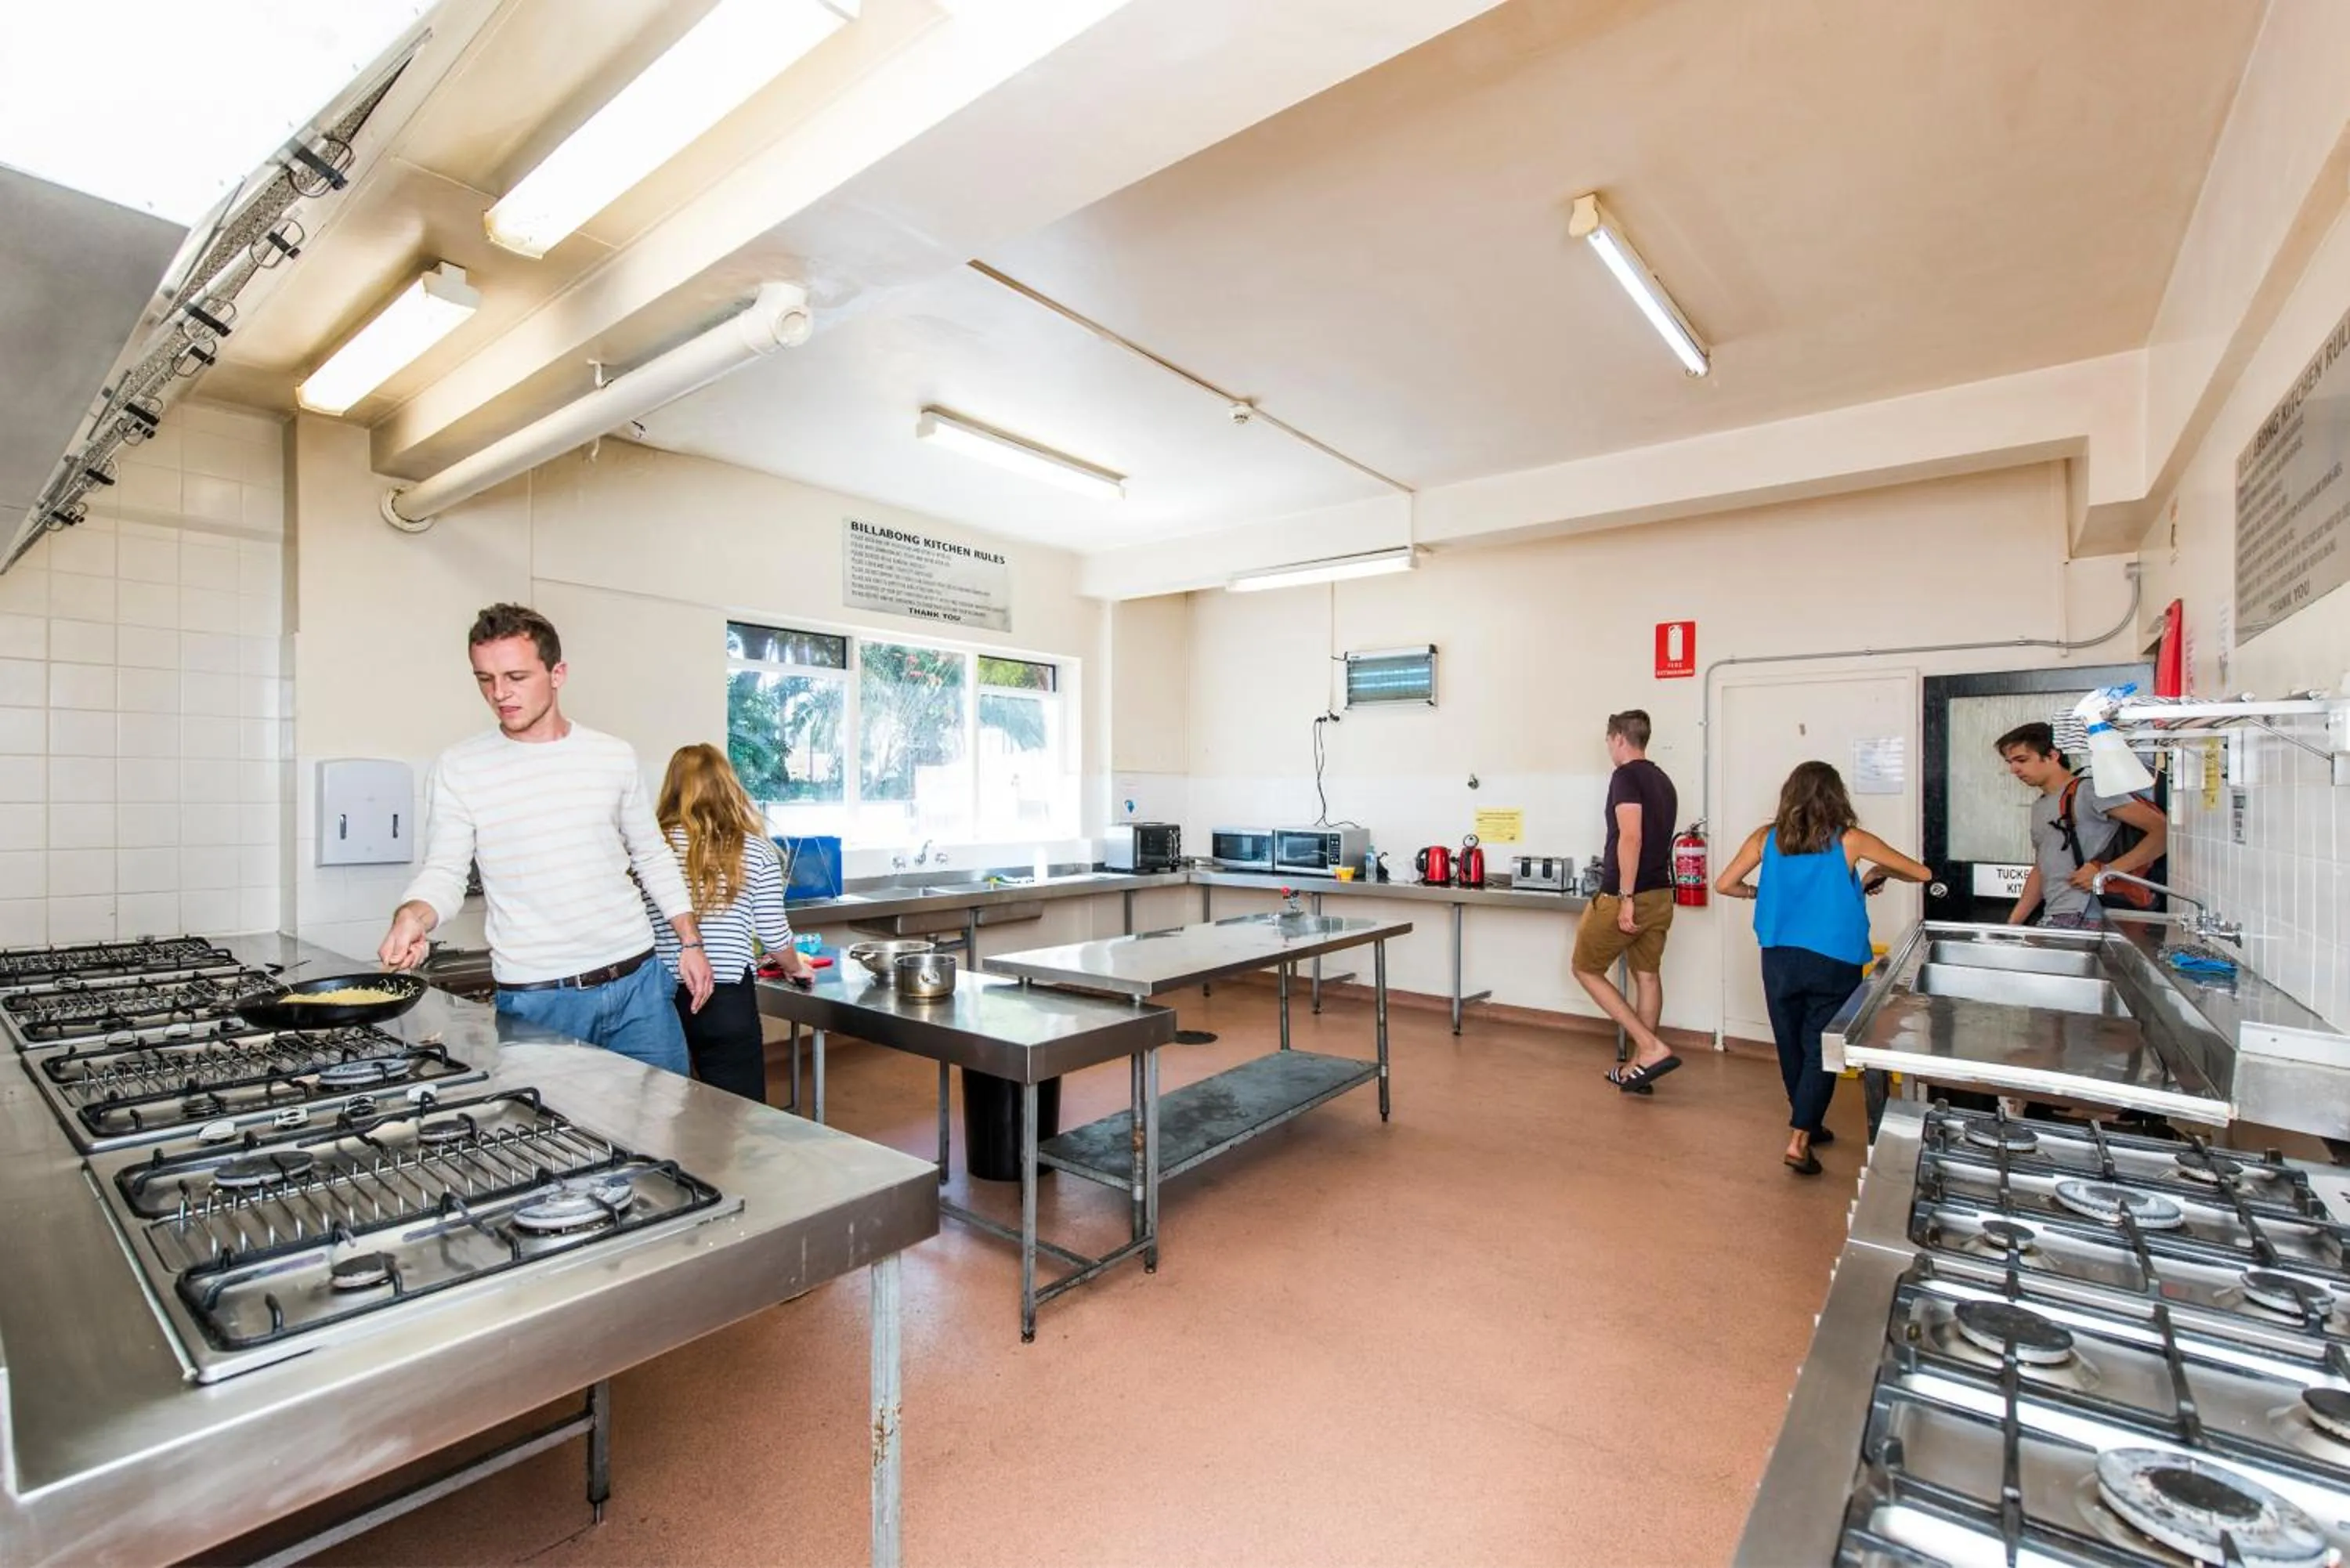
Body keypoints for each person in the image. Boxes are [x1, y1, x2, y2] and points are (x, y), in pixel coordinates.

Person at [380, 603, 714, 1075]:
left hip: (638, 985)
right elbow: (445, 872)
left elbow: (652, 854)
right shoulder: (460, 768)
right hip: (539, 999)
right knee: (556, 1139)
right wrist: (412, 915)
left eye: (516, 677)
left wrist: (690, 943)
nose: (500, 694)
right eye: (485, 679)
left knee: (665, 1124)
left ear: (557, 673)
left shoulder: (612, 756)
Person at [1715, 762, 1931, 1175]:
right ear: (1836, 797)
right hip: (1834, 959)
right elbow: (1922, 872)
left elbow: (1724, 884)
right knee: (1822, 1046)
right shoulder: (1849, 840)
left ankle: (1808, 1120)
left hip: (1778, 956)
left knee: (1791, 1042)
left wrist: (1758, 893)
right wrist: (1879, 870)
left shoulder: (1766, 838)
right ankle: (1799, 1138)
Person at [649, 743, 813, 1102]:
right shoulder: (753, 849)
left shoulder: (652, 849)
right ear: (728, 786)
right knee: (737, 1113)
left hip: (658, 997)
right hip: (725, 998)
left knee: (666, 1111)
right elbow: (772, 933)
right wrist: (795, 966)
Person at [1575, 710, 1683, 1093]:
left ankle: (1651, 1048)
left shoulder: (1625, 777)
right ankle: (1640, 1067)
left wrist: (1624, 898)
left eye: (1608, 740)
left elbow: (1631, 837)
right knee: (1648, 976)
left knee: (1585, 968)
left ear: (1619, 738)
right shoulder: (1662, 780)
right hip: (1661, 894)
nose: (1608, 747)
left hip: (1630, 894)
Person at [1994, 721, 2168, 930]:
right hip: (2056, 913)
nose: (2014, 769)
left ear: (2052, 755)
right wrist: (2011, 926)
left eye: (2022, 760)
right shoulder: (2040, 806)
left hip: (2088, 915)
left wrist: (2107, 871)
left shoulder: (2089, 790)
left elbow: (2163, 833)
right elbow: (2043, 868)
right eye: (2010, 762)